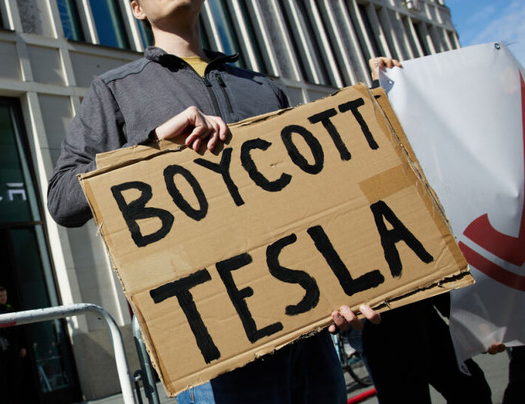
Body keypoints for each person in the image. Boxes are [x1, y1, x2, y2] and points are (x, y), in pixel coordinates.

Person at [47, 1, 380, 402]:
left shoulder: (262, 86)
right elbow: (62, 199)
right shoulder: (115, 90)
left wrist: (347, 283)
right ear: (136, 9)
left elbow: (312, 200)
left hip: (311, 335)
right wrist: (151, 146)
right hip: (217, 352)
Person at [357, 58, 492, 404]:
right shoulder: (362, 177)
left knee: (473, 391)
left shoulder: (414, 168)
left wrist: (481, 322)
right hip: (384, 314)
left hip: (424, 300)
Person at [0, 286, 33, 403]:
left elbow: (18, 329)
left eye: (4, 295)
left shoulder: (10, 308)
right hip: (0, 350)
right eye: (0, 296)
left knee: (17, 377)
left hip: (13, 348)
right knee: (3, 380)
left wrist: (22, 346)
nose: (3, 298)